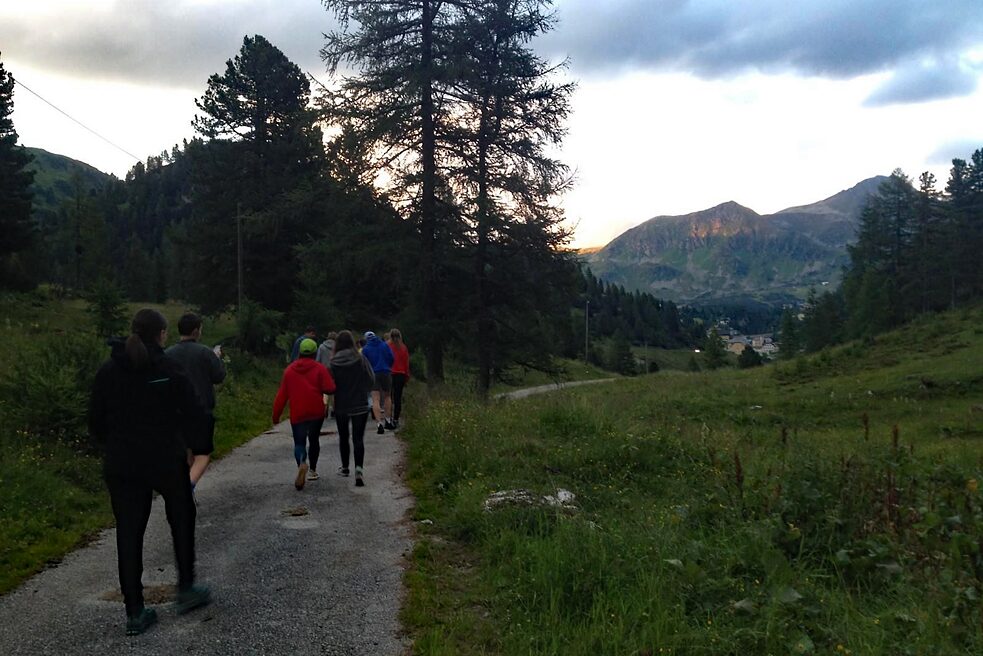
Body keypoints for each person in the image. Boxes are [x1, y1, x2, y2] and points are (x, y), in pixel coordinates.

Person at [88, 309, 211, 636]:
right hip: (164, 459)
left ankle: (135, 612)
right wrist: (199, 447)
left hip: (122, 463)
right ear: (161, 335)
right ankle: (186, 588)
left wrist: (113, 444)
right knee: (182, 517)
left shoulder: (108, 371)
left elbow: (95, 421)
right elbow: (195, 412)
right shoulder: (168, 369)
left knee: (128, 533)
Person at [165, 312, 226, 490]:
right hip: (201, 410)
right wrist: (217, 358)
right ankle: (188, 488)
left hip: (176, 412)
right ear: (195, 331)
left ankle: (183, 488)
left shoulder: (168, 354)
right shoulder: (205, 352)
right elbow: (219, 376)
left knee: (187, 454)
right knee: (203, 454)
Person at [272, 338, 336, 490]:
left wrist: (276, 416)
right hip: (316, 411)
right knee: (313, 440)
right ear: (314, 353)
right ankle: (312, 470)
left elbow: (281, 396)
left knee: (299, 442)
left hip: (298, 412)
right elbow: (330, 388)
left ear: (300, 352)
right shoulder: (320, 368)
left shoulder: (289, 370)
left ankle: (302, 462)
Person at [328, 330, 374, 487]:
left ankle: (345, 467)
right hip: (360, 403)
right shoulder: (361, 359)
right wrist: (364, 390)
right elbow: (371, 378)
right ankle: (359, 470)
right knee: (358, 438)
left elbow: (330, 385)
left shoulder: (333, 362)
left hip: (341, 404)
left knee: (343, 437)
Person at [361, 331, 394, 434]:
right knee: (387, 396)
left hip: (373, 374)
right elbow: (391, 358)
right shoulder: (384, 345)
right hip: (385, 372)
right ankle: (388, 420)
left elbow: (363, 364)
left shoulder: (365, 349)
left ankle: (379, 424)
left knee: (375, 399)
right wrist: (388, 366)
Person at [387, 328, 410, 429]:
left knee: (388, 397)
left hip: (390, 373)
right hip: (400, 374)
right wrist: (407, 375)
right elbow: (406, 363)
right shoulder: (403, 347)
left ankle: (388, 419)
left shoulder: (387, 346)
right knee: (397, 398)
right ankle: (396, 419)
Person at [316, 331, 338, 418]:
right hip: (335, 369)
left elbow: (318, 359)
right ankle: (334, 409)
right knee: (334, 389)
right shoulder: (337, 347)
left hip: (324, 369)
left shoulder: (321, 347)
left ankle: (325, 406)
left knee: (324, 389)